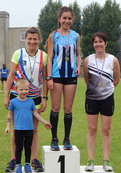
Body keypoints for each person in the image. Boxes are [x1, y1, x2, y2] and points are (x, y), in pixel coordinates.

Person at [3, 27, 49, 172]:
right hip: (16, 96)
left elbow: (45, 78)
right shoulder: (18, 53)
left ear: (39, 40)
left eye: (35, 39)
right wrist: (6, 96)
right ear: (25, 39)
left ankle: (34, 160)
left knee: (34, 130)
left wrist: (45, 98)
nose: (32, 41)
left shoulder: (44, 56)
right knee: (16, 130)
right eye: (30, 39)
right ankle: (14, 160)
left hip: (35, 96)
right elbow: (10, 75)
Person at [83, 32, 120, 172]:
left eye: (101, 41)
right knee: (92, 130)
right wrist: (96, 90)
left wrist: (106, 90)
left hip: (107, 98)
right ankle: (90, 160)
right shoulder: (88, 60)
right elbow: (87, 80)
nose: (98, 44)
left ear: (106, 43)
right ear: (93, 44)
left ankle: (106, 160)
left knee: (106, 130)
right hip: (91, 98)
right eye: (95, 42)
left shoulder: (113, 60)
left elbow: (116, 79)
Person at [46, 6, 81, 151]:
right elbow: (49, 58)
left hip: (71, 76)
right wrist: (49, 77)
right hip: (56, 76)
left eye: (69, 18)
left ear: (72, 20)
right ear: (59, 19)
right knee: (55, 108)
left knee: (68, 108)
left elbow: (78, 54)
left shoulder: (76, 36)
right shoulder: (53, 35)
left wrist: (79, 65)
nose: (67, 21)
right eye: (64, 18)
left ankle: (67, 139)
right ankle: (54, 139)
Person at [5, 79, 52, 173]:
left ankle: (27, 164)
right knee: (18, 148)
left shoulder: (31, 102)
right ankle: (18, 164)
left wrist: (44, 122)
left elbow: (35, 114)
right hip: (18, 129)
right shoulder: (13, 102)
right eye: (21, 90)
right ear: (16, 90)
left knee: (28, 147)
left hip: (29, 129)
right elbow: (10, 115)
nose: (24, 92)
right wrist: (8, 126)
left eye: (26, 89)